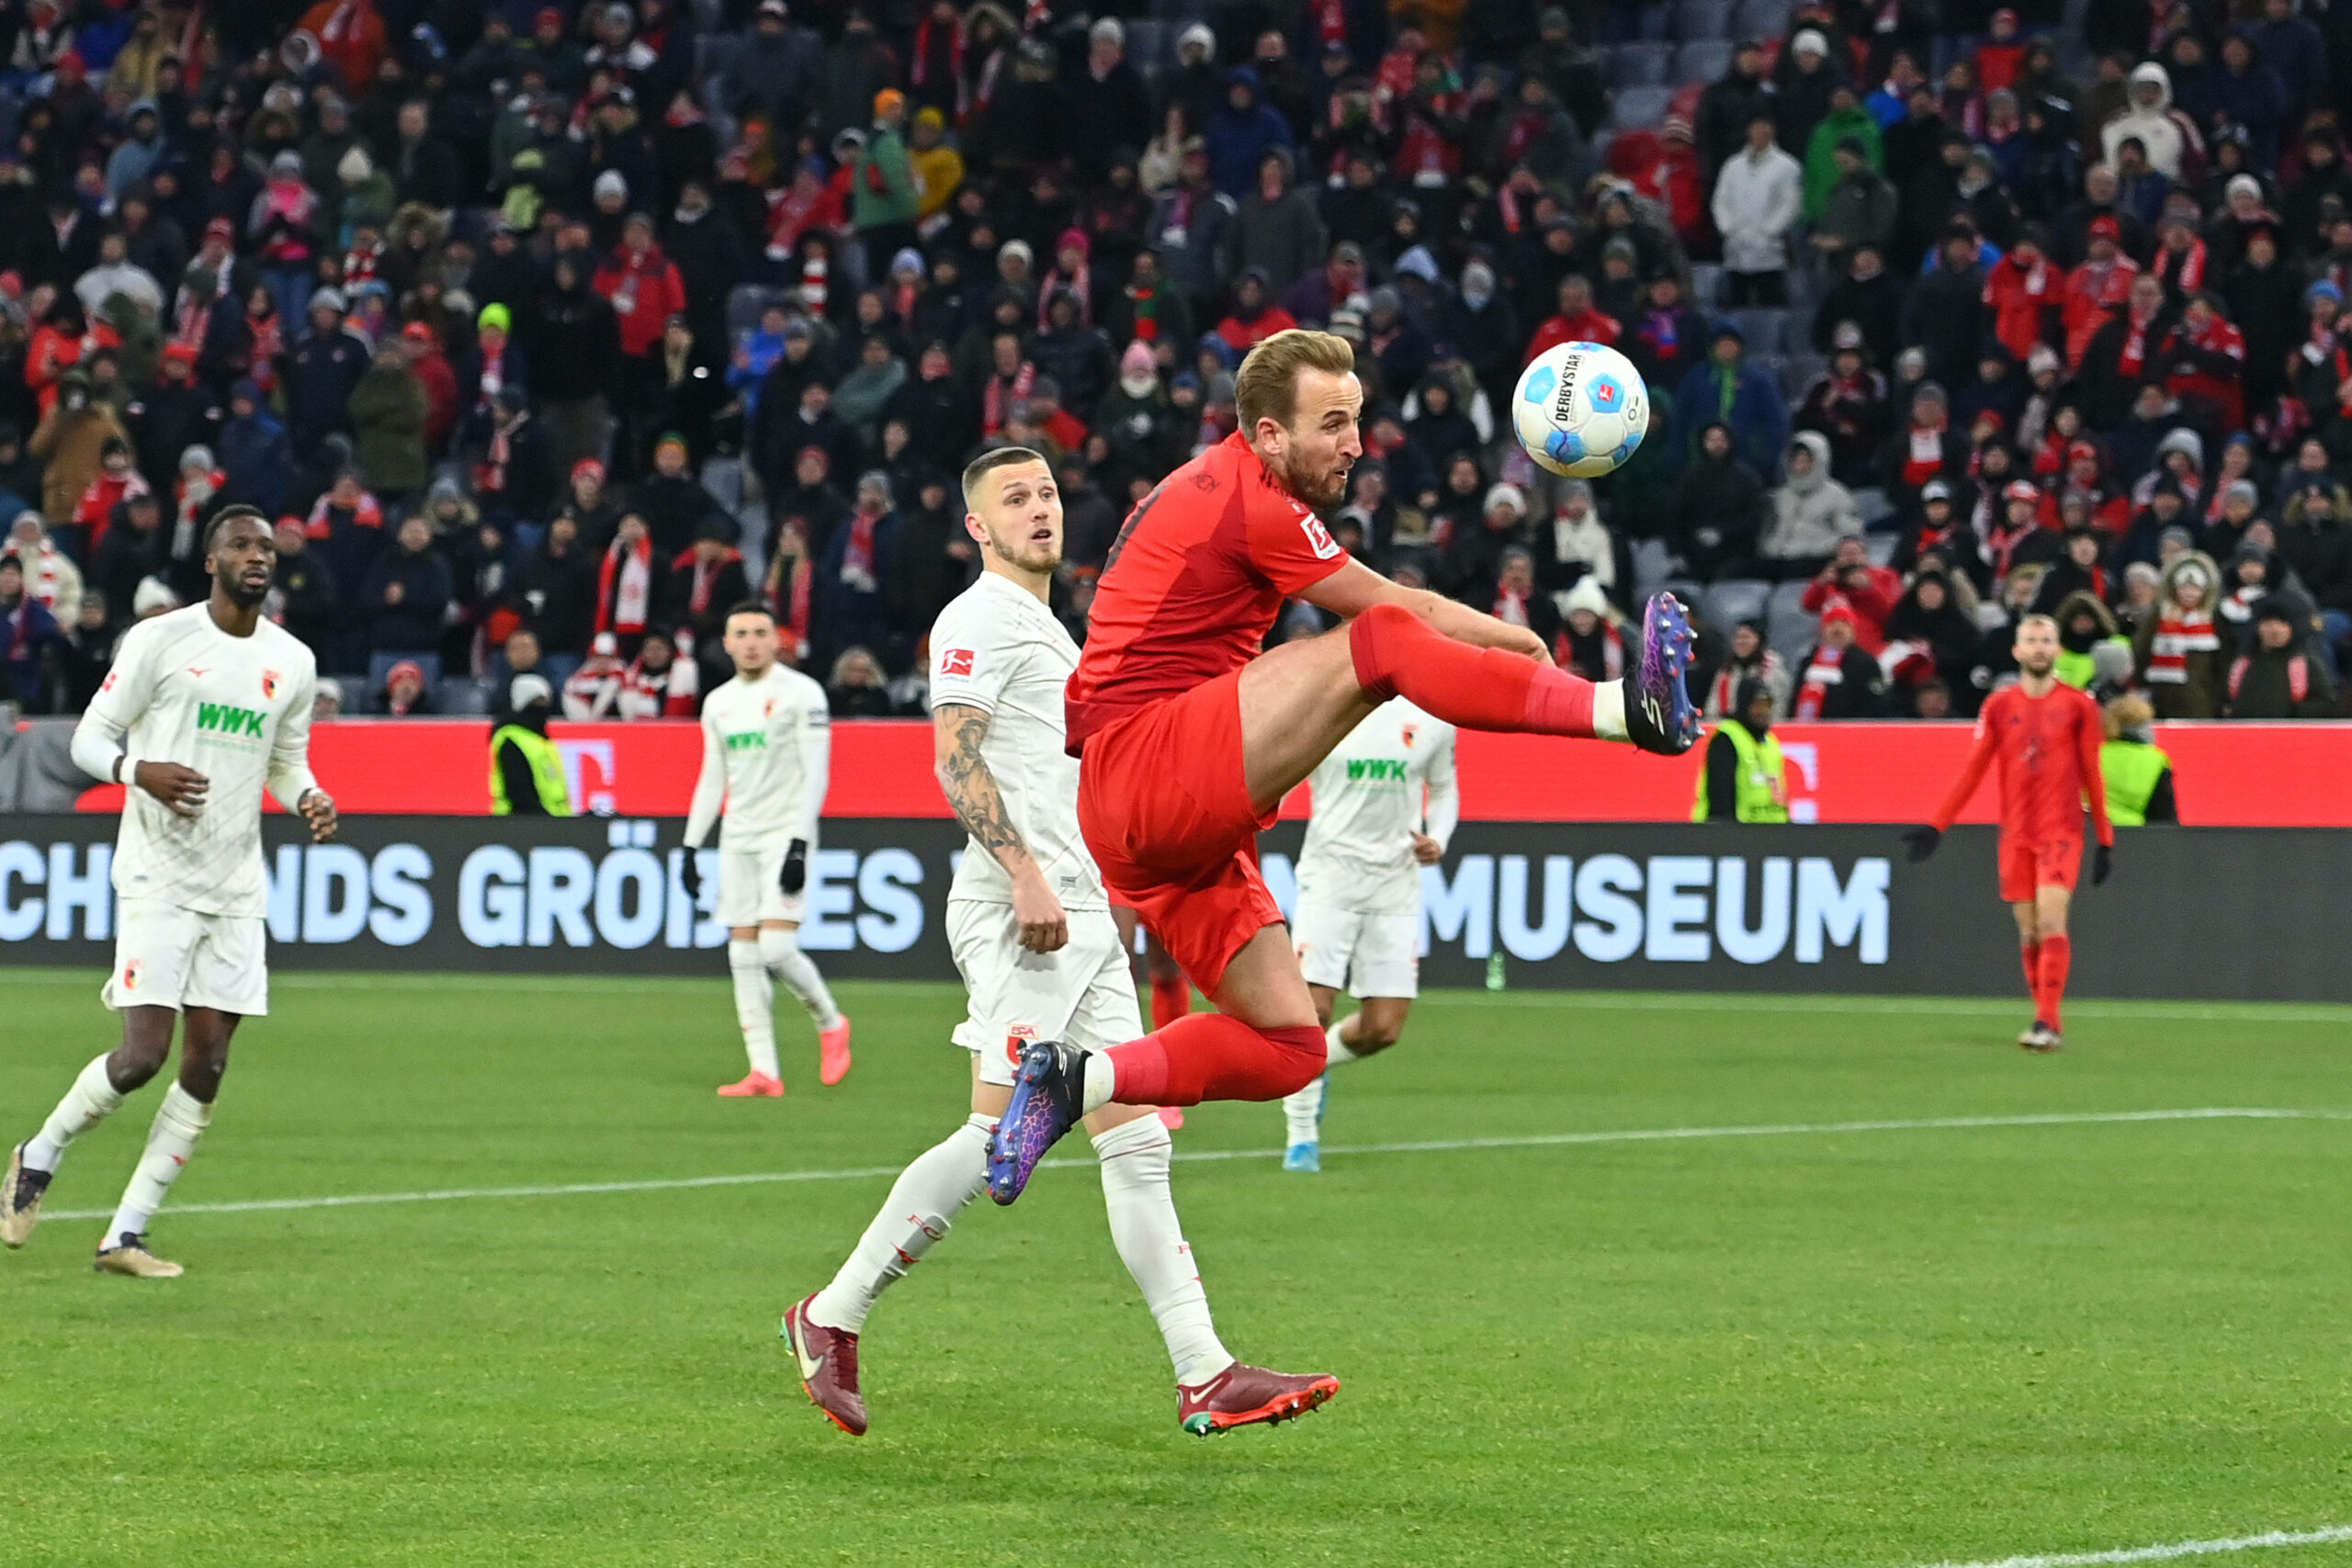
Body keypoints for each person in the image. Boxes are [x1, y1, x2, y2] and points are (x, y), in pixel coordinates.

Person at [986, 328, 1700, 1209]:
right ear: (1270, 435)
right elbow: (1399, 610)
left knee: (1294, 1046)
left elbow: (1406, 607)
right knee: (1378, 645)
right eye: (1333, 424)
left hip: (1161, 824)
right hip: (1147, 762)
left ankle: (1077, 1080)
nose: (1356, 445)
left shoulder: (1236, 486)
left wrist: (1508, 646)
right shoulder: (1249, 497)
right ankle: (1629, 711)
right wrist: (1523, 647)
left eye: (1357, 420)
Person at [785, 446, 1334, 1440]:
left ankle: (1202, 1370)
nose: (1039, 509)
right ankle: (831, 1314)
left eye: (1045, 493)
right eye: (1013, 498)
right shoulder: (978, 619)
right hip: (1023, 908)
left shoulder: (1052, 630)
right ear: (978, 528)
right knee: (998, 1132)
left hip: (1081, 910)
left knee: (1133, 1146)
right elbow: (952, 755)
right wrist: (1026, 873)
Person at [5, 509, 335, 1277]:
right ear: (211, 561)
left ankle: (126, 1233)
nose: (258, 557)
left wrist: (310, 794)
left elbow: (287, 759)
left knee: (210, 1061)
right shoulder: (162, 639)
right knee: (144, 1053)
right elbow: (89, 738)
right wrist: (136, 771)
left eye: (264, 547)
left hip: (235, 882)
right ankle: (38, 1154)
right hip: (158, 872)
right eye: (241, 546)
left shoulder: (292, 659)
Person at [1903, 615, 2114, 1052]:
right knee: (2030, 931)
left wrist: (2105, 837)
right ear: (2016, 651)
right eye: (2032, 640)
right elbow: (1973, 769)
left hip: (2061, 830)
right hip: (2016, 834)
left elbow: (2092, 774)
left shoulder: (2079, 706)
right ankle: (2043, 1021)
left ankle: (2047, 1021)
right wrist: (1936, 825)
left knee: (2053, 919)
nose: (2040, 647)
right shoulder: (1999, 706)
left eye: (2047, 641)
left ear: (2057, 651)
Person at [1277, 697, 1456, 1174]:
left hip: (1395, 881)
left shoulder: (1433, 716)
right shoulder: (1325, 704)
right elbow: (1277, 772)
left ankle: (1315, 1069)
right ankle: (1300, 1137)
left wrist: (1438, 836)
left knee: (1383, 1028)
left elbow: (1443, 789)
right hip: (1329, 875)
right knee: (1312, 1008)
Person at [679, 603, 851, 1098]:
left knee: (775, 948)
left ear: (777, 641)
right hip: (739, 836)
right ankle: (764, 1072)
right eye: (741, 634)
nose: (751, 641)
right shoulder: (719, 703)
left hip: (785, 834)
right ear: (727, 644)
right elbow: (714, 777)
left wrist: (800, 841)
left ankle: (830, 1022)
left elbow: (816, 773)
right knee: (742, 952)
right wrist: (692, 846)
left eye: (760, 632)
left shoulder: (802, 694)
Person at [1692, 679, 1789, 823]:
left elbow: (1780, 800)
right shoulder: (1727, 739)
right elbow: (1720, 798)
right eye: (1757, 706)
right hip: (1738, 836)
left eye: (1767, 706)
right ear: (1745, 705)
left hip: (1770, 836)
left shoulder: (1771, 743)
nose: (1763, 712)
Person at [488, 674, 570, 816]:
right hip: (520, 826)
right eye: (538, 701)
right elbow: (519, 792)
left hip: (553, 825)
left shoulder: (541, 740)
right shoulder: (511, 739)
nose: (544, 707)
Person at [2099, 694, 2176, 826]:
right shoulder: (2156, 760)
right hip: (2134, 835)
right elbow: (2163, 815)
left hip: (2091, 831)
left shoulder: (2093, 754)